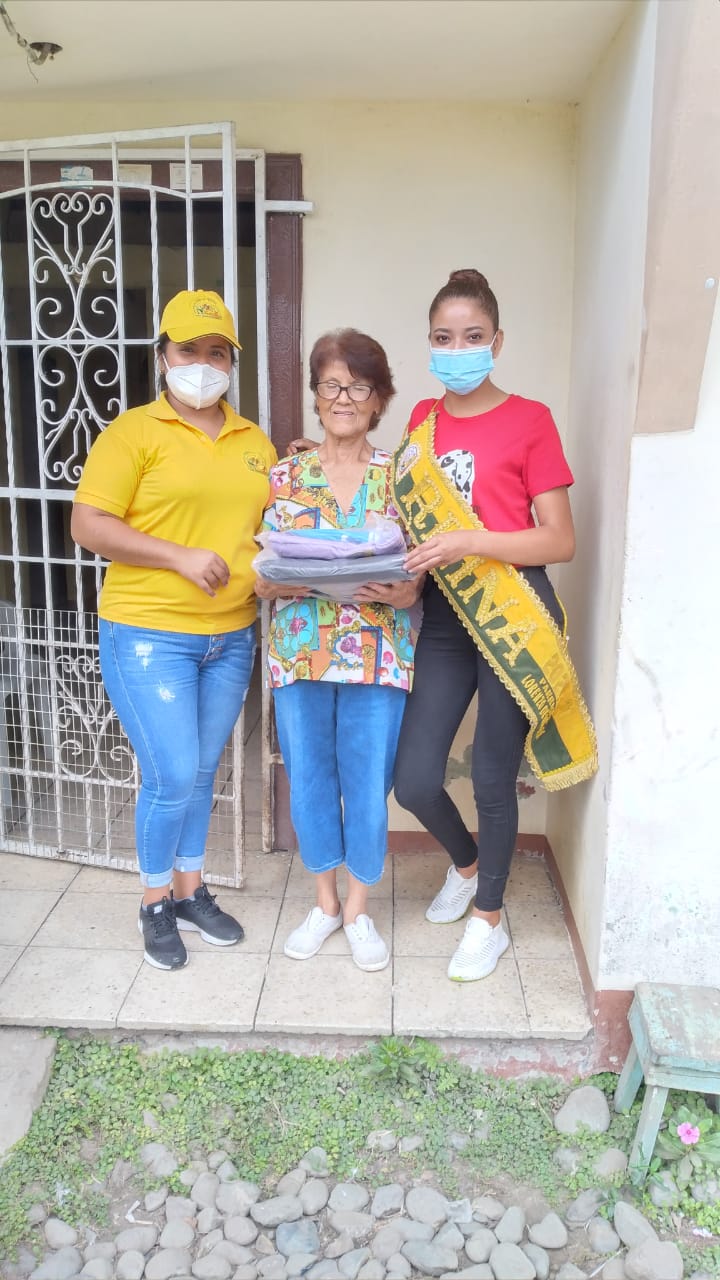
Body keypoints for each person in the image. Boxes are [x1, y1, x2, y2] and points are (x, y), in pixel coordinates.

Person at [392, 269, 597, 984]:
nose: (458, 350)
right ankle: (467, 867)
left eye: (472, 336)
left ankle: (489, 918)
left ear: (497, 342)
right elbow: (404, 514)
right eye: (444, 338)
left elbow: (559, 539)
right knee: (414, 778)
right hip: (446, 614)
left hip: (513, 610)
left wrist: (471, 541)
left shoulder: (530, 419)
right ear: (430, 344)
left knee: (489, 775)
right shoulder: (422, 419)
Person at [71, 289, 277, 971]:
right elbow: (88, 525)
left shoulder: (254, 443)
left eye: (218, 352)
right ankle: (154, 902)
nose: (204, 365)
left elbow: (267, 527)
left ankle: (190, 891)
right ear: (163, 356)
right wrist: (178, 556)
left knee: (203, 772)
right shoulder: (133, 433)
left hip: (231, 636)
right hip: (149, 632)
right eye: (189, 350)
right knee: (172, 774)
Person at [254, 329, 423, 972]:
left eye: (359, 386)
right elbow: (262, 571)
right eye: (331, 384)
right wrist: (273, 581)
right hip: (301, 650)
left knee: (368, 778)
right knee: (309, 776)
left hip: (377, 653)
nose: (344, 397)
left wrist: (407, 591)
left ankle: (357, 909)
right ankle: (324, 902)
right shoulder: (285, 475)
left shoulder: (401, 475)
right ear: (316, 395)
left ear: (379, 400)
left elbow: (418, 570)